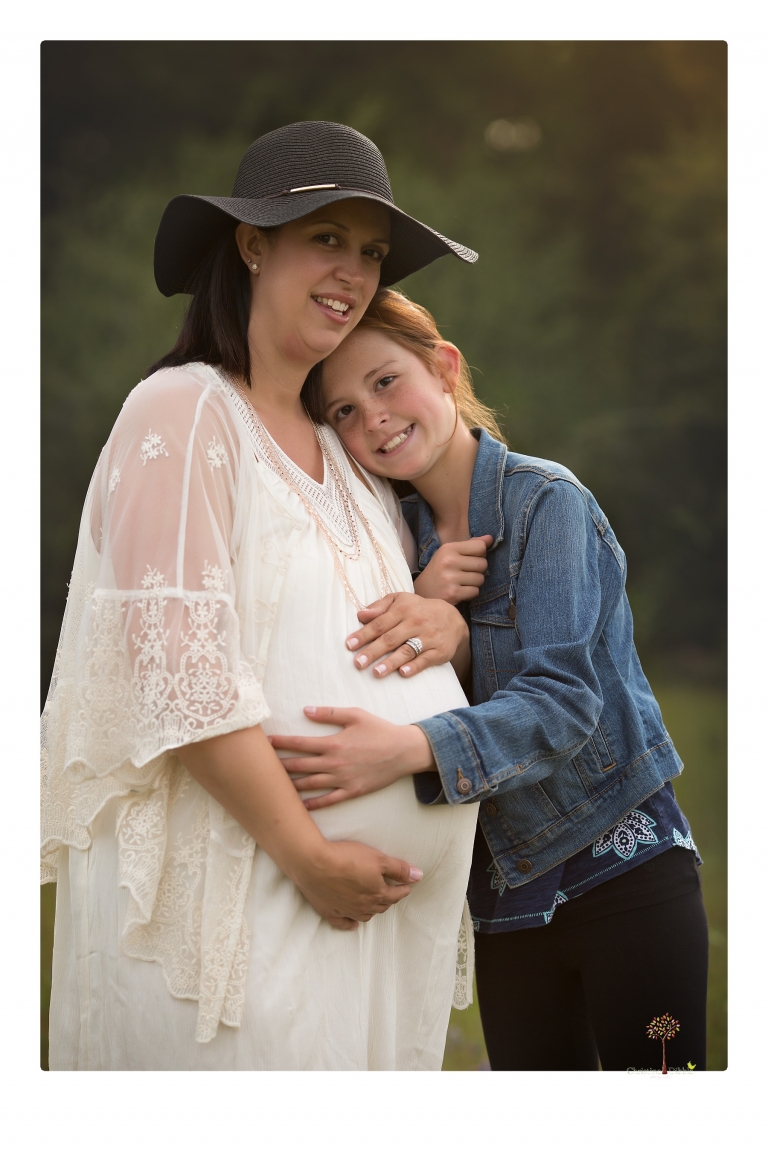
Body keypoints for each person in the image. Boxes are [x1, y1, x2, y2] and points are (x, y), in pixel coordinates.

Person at [40, 123, 483, 1071]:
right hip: (242, 897)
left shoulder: (349, 453)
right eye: (327, 238)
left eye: (370, 253)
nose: (354, 272)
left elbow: (377, 630)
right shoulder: (186, 408)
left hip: (355, 922)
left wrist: (443, 620)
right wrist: (308, 852)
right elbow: (178, 668)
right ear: (252, 244)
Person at [271, 288, 710, 1072]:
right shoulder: (382, 538)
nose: (369, 416)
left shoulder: (547, 504)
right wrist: (432, 606)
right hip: (504, 902)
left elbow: (562, 701)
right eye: (340, 410)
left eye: (383, 382)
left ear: (443, 368)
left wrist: (407, 750)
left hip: (622, 870)